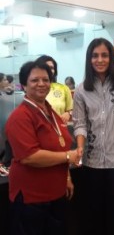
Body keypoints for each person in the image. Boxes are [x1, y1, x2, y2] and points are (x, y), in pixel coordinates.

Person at [72, 38, 114, 235]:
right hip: (92, 161)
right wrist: (79, 148)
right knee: (94, 212)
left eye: (104, 55)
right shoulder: (81, 89)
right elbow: (80, 124)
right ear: (89, 59)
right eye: (95, 56)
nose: (99, 60)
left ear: (111, 58)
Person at [5, 60, 81, 235]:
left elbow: (60, 145)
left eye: (46, 79)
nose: (41, 84)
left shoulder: (50, 111)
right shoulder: (20, 117)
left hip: (55, 193)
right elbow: (29, 156)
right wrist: (68, 157)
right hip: (32, 198)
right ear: (24, 85)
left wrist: (67, 177)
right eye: (34, 80)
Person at [36, 55, 73, 124]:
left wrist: (68, 114)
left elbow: (71, 109)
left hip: (60, 130)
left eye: (51, 68)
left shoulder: (64, 88)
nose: (49, 70)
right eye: (45, 67)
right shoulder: (34, 88)